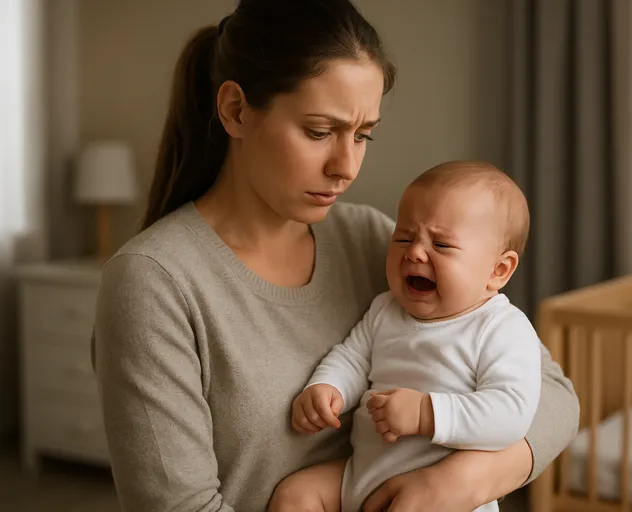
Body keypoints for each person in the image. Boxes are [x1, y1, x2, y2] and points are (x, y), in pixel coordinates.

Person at [91, 1, 580, 511]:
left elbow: (555, 395)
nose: (346, 167)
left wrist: (457, 483)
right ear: (235, 110)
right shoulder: (154, 283)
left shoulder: (374, 240)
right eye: (320, 132)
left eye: (363, 134)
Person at [270, 161, 542, 512]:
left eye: (441, 245)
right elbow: (352, 358)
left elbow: (511, 413)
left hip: (441, 497)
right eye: (403, 237)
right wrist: (328, 388)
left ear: (498, 270)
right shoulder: (386, 309)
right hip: (361, 477)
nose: (415, 251)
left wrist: (426, 414)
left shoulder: (501, 328)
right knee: (296, 494)